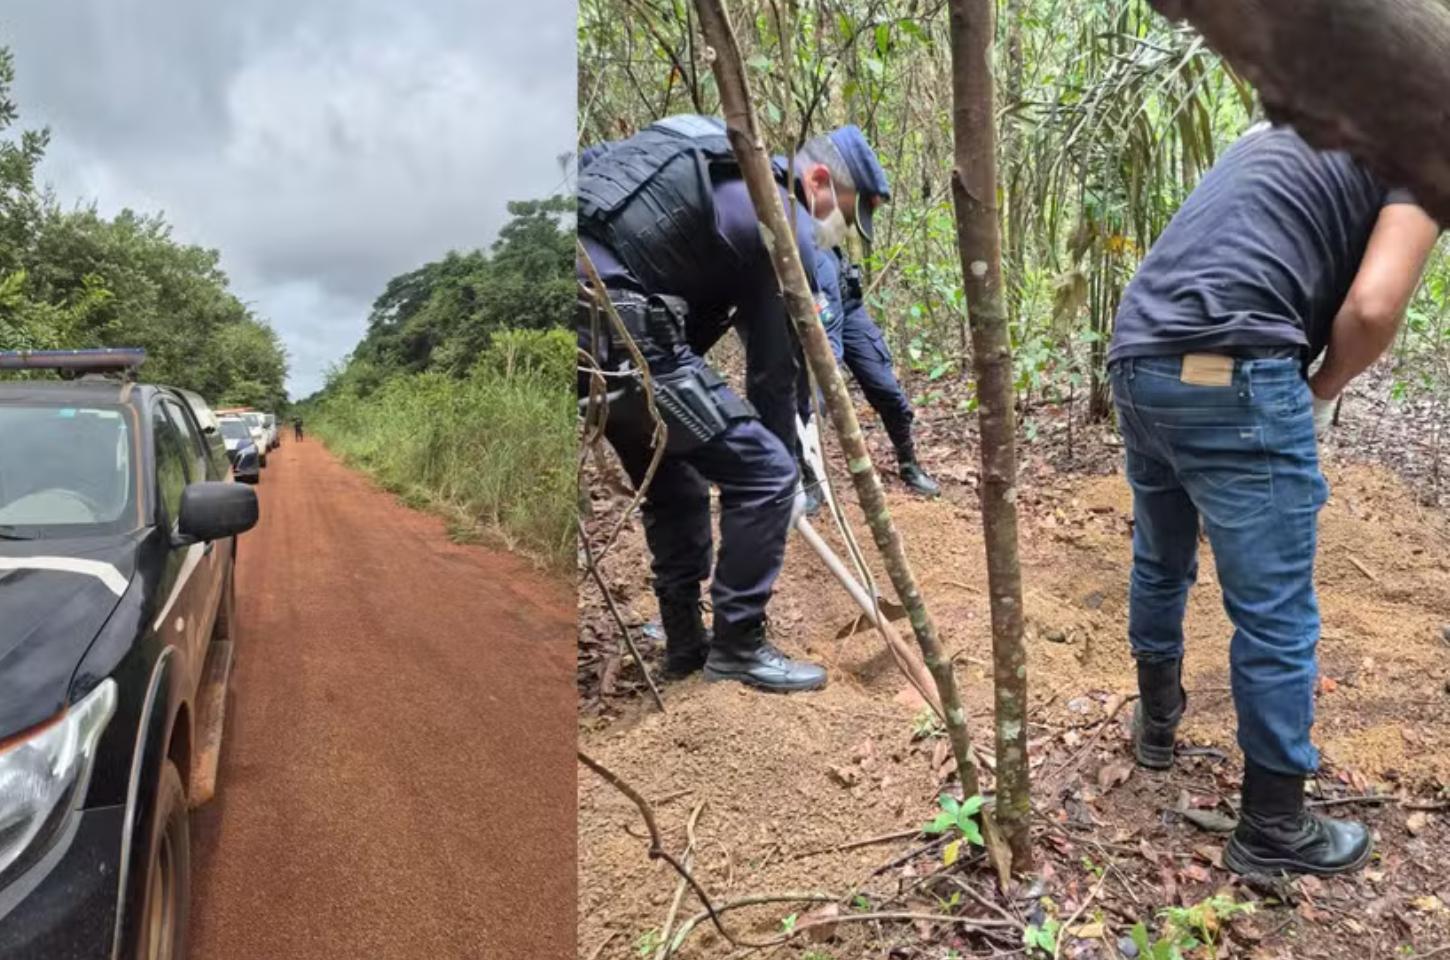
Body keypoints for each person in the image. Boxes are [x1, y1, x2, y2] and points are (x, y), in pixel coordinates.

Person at [1108, 121, 1439, 876]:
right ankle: (1272, 827)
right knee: (1276, 611)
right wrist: (1321, 390)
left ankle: (1156, 726)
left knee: (1160, 559)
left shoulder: (1291, 127)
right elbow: (1373, 308)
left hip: (1139, 356)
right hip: (1236, 366)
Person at [578, 116, 891, 693]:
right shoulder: (782, 219)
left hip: (581, 325)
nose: (841, 230)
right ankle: (739, 646)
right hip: (622, 325)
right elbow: (772, 375)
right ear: (819, 180)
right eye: (847, 213)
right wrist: (784, 479)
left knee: (675, 476)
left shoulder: (701, 153)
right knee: (764, 471)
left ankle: (684, 647)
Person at [803, 138, 939, 497]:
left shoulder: (824, 225)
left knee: (888, 391)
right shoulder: (792, 219)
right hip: (815, 322)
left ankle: (909, 462)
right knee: (813, 399)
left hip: (849, 309)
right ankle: (809, 478)